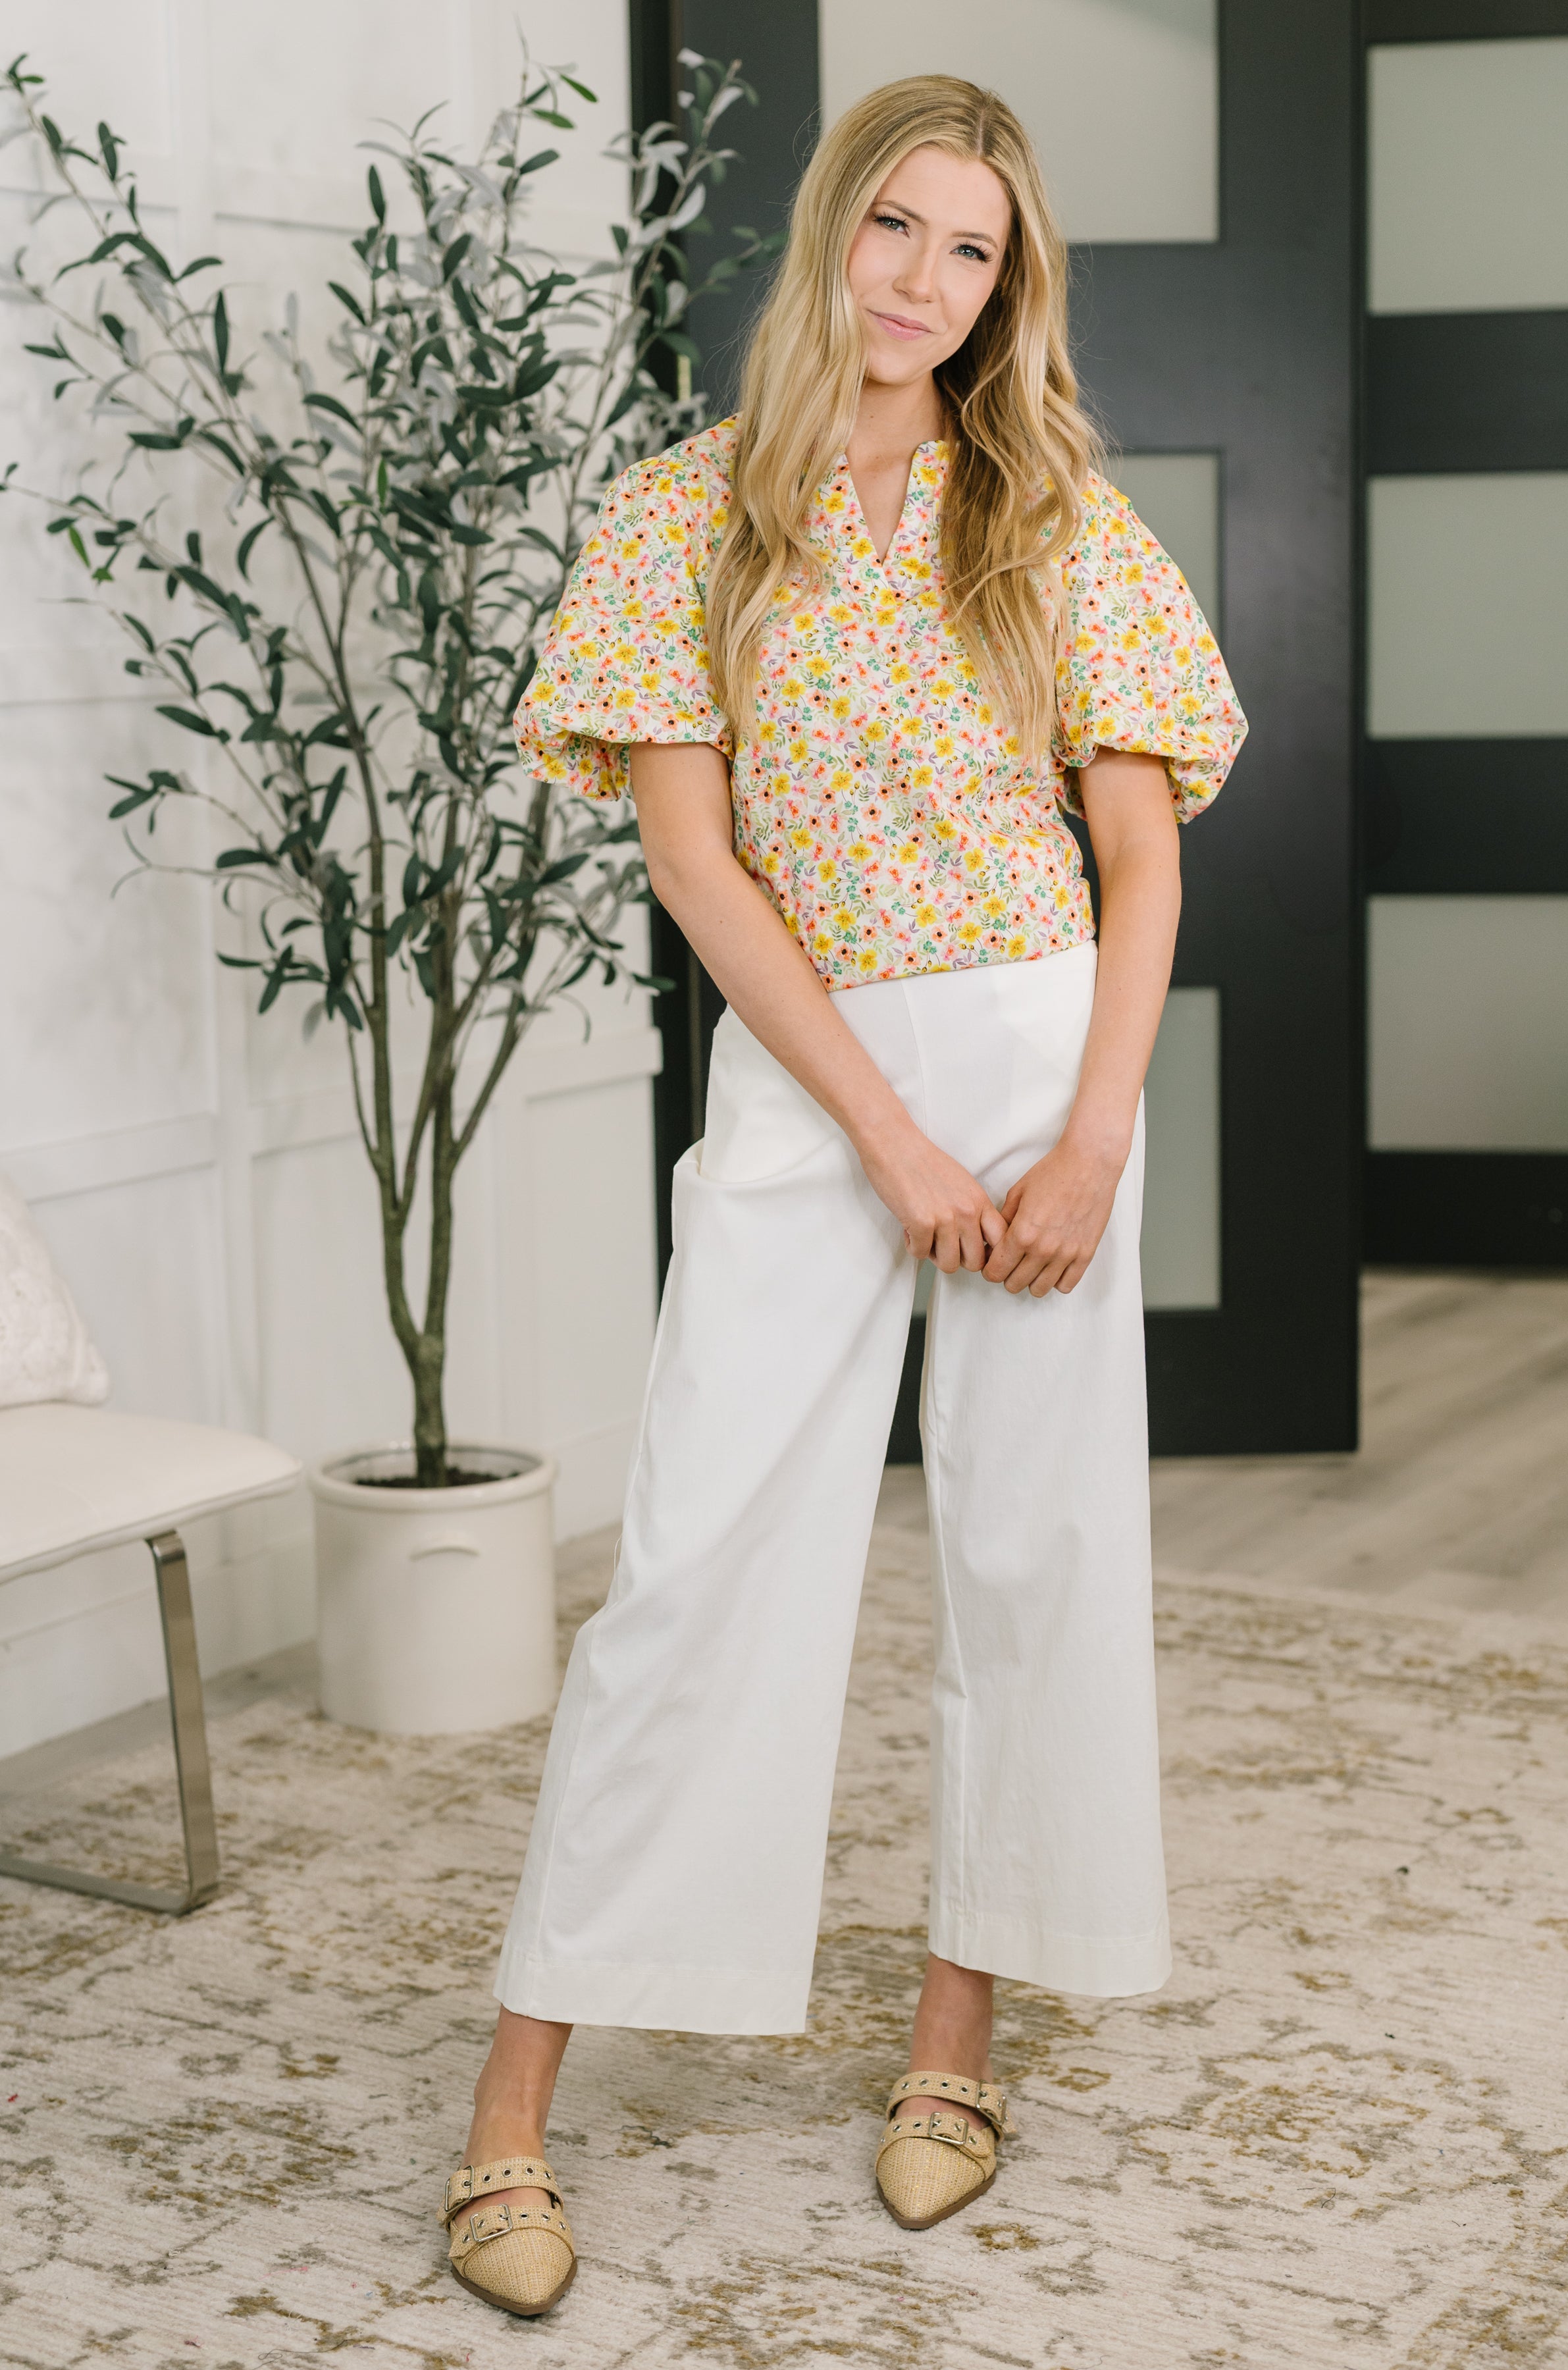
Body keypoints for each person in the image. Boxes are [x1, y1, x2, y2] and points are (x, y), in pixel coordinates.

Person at [436, 73, 1247, 2318]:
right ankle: (512, 2115)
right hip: (816, 1082)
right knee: (695, 1565)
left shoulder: (1056, 513)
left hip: (1040, 1054)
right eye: (894, 227)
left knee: (1031, 1550)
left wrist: (1084, 1135)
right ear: (831, 237)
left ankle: (955, 2050)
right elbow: (692, 861)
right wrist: (885, 1143)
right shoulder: (682, 516)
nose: (920, 280)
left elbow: (1141, 849)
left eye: (968, 250)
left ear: (1009, 287)